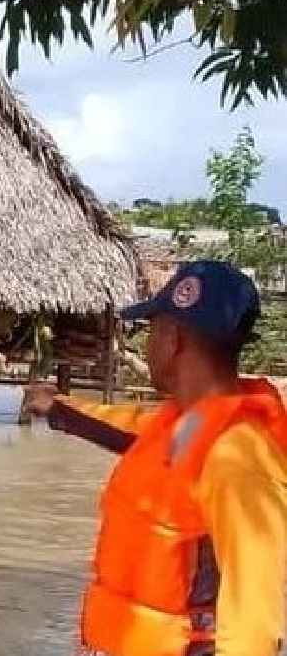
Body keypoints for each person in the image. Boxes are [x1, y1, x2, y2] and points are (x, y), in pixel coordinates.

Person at [25, 260, 287, 656]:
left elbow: (254, 613)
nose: (145, 347)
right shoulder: (191, 423)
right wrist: (58, 408)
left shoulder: (240, 457)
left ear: (172, 339)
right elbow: (128, 426)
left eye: (150, 332)